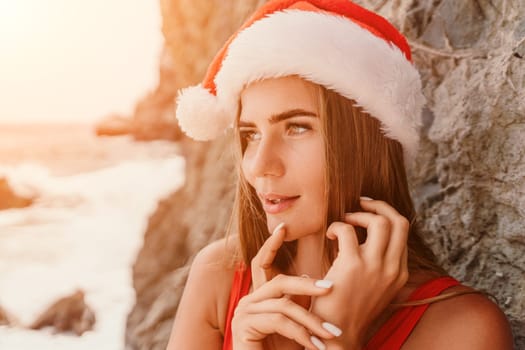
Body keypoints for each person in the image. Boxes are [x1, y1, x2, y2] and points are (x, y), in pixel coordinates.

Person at [166, 1, 514, 349]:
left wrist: (338, 333)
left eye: (297, 128)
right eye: (250, 134)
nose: (259, 165)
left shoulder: (464, 329)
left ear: (366, 144)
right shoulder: (218, 277)